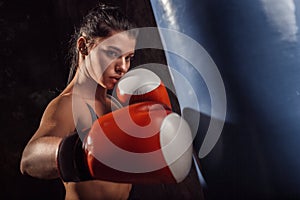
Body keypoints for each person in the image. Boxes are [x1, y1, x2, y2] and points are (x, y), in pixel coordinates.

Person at [20, 4, 138, 200]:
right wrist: (83, 152)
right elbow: (29, 159)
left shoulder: (115, 107)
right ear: (83, 46)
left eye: (128, 58)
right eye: (112, 54)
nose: (123, 67)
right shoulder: (70, 104)